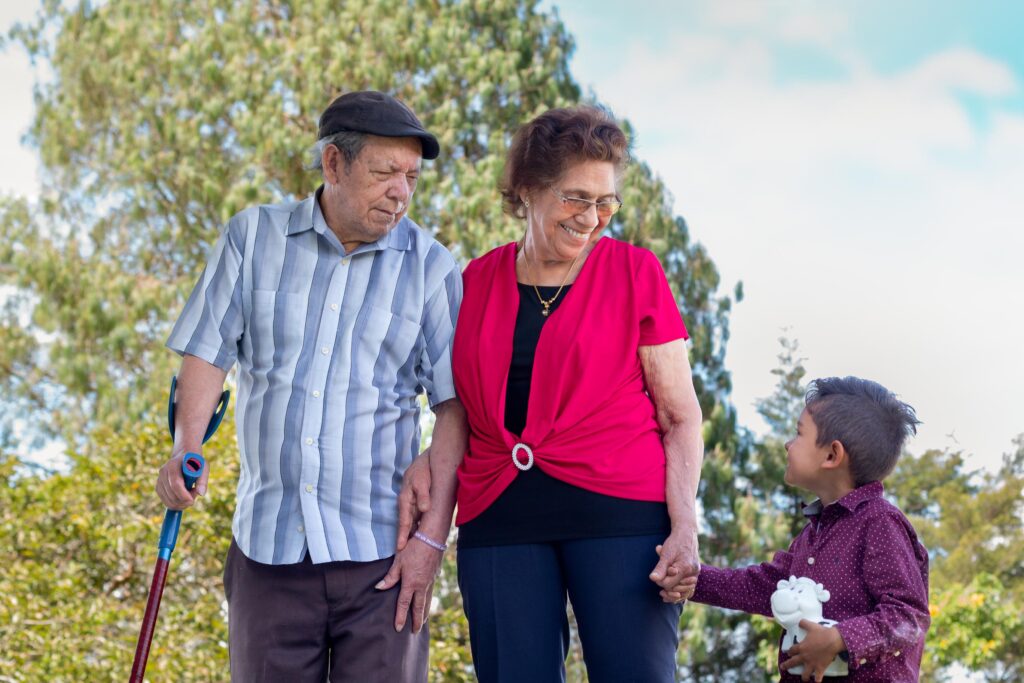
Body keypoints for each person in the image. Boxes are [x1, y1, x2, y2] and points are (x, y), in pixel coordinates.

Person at [155, 90, 466, 682]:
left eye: (412, 177)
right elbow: (206, 351)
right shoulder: (253, 238)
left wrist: (431, 541)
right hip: (267, 552)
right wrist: (185, 445)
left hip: (385, 559)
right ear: (333, 165)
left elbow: (454, 409)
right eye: (384, 173)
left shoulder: (432, 267)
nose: (401, 191)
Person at [414, 105, 704, 682]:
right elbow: (456, 415)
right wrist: (431, 527)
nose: (592, 217)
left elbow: (680, 416)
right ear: (527, 190)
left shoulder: (635, 272)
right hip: (498, 522)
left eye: (606, 202)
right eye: (575, 198)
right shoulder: (472, 280)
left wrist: (684, 527)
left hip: (623, 520)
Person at [686, 376, 930, 682]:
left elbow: (909, 617)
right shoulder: (811, 536)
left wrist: (840, 639)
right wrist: (689, 579)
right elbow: (763, 586)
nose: (789, 444)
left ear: (832, 455)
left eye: (799, 434)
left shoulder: (880, 522)